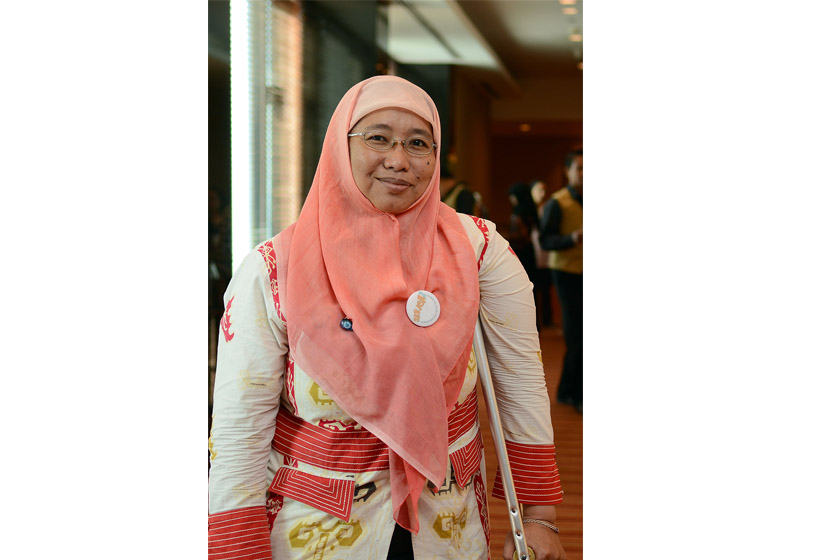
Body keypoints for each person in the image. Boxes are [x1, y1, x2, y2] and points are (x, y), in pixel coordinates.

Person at [208, 75, 566, 560]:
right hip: (317, 526)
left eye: (418, 143)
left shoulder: (478, 251)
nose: (399, 160)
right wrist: (235, 547)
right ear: (340, 144)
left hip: (449, 524)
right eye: (377, 137)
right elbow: (238, 428)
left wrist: (539, 516)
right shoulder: (275, 267)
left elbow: (519, 385)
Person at [539, 150, 583, 412]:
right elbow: (546, 240)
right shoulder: (558, 202)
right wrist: (572, 239)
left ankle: (567, 391)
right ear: (568, 171)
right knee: (577, 334)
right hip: (566, 274)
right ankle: (578, 395)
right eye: (579, 168)